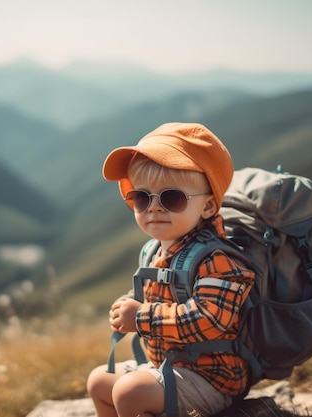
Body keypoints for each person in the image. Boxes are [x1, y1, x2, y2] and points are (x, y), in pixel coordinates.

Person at [86, 122, 256, 417]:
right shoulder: (155, 248)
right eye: (142, 197)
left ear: (207, 206)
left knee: (130, 391)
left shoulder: (216, 260)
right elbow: (157, 293)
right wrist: (128, 303)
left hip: (212, 379)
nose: (153, 207)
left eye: (172, 198)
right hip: (168, 364)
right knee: (99, 381)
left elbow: (209, 319)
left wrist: (140, 316)